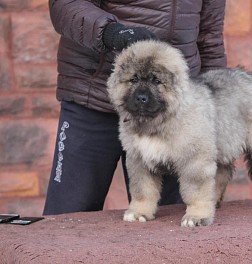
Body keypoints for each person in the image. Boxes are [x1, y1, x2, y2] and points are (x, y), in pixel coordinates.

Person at [43, 0, 227, 215]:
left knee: (173, 222)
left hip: (171, 115)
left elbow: (209, 37)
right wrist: (113, 33)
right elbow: (66, 4)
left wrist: (216, 109)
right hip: (93, 99)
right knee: (68, 218)